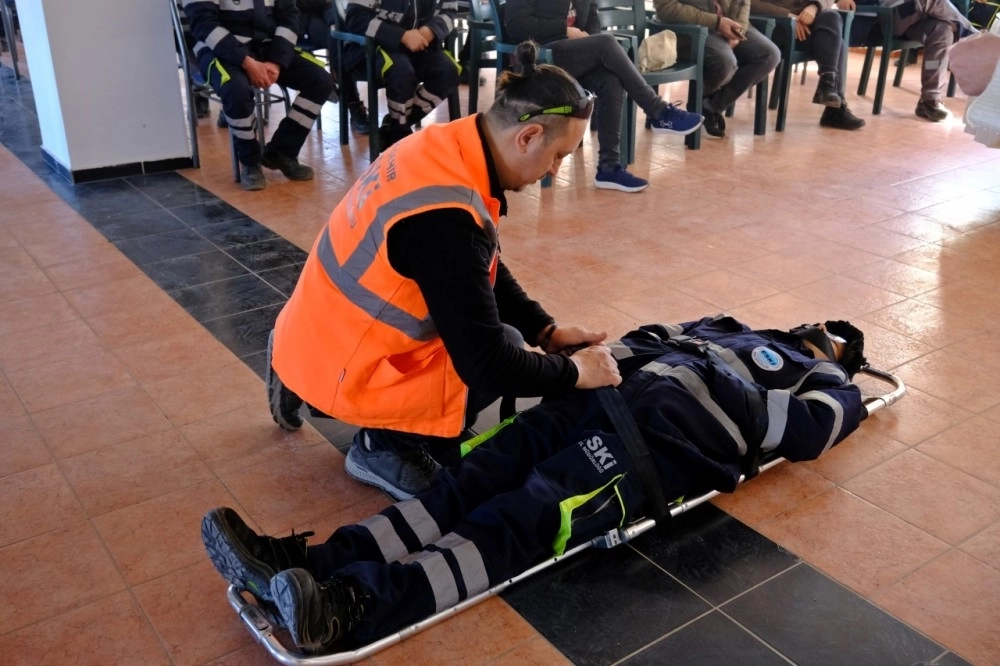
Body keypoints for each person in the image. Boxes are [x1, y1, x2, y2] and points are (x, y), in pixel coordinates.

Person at [201, 314, 868, 652]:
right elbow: (648, 337)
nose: (821, 332)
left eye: (835, 338)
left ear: (846, 357)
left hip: (649, 452)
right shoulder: (729, 327)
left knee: (511, 520)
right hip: (590, 402)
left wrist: (706, 379)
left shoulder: (831, 384)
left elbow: (807, 433)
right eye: (822, 326)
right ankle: (311, 562)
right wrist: (592, 364)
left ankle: (352, 606)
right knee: (460, 486)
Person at [265, 42, 623, 503]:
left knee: (514, 336)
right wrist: (574, 372)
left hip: (315, 324)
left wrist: (546, 330)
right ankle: (382, 446)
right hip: (351, 362)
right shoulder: (445, 221)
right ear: (529, 136)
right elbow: (487, 364)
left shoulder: (447, 145)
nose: (554, 171)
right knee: (501, 352)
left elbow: (480, 264)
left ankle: (293, 361)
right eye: (558, 155)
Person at [504, 0, 705, 193]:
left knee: (610, 80)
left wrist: (587, 38)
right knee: (606, 43)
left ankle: (609, 167)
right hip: (539, 56)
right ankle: (659, 111)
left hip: (572, 53)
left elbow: (592, 16)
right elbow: (516, 24)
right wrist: (566, 31)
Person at [183, 0, 336, 191]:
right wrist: (247, 62)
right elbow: (203, 24)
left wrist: (276, 61)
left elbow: (289, 16)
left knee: (320, 81)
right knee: (236, 90)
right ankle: (250, 161)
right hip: (219, 49)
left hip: (267, 47)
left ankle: (281, 152)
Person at [342, 0, 460, 151]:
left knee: (448, 72)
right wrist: (401, 36)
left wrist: (431, 30)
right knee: (401, 72)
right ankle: (400, 135)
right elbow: (356, 18)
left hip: (421, 45)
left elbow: (450, 11)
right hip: (375, 46)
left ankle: (395, 126)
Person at [654, 0, 782, 139]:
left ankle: (709, 107)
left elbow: (743, 2)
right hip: (693, 28)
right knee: (726, 62)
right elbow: (666, 7)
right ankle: (701, 103)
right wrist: (717, 22)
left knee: (770, 55)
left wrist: (739, 29)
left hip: (730, 24)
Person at [838, 0, 975, 122]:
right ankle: (973, 38)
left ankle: (929, 100)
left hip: (912, 16)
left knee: (941, 31)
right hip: (885, 18)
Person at [751, 0, 865, 130]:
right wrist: (789, 17)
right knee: (839, 43)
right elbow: (748, 3)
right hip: (774, 25)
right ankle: (834, 109)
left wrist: (814, 6)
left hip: (805, 25)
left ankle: (828, 86)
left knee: (832, 17)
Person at [295, 0, 372, 134]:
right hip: (301, 17)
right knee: (338, 37)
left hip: (329, 10)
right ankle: (352, 102)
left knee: (344, 28)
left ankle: (337, 74)